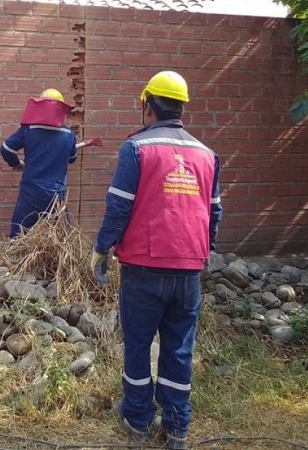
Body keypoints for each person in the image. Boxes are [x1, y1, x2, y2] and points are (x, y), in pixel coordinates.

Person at [89, 71, 222, 450]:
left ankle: (137, 420)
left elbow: (118, 206)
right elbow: (215, 213)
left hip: (143, 269)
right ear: (181, 106)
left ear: (147, 104)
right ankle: (177, 426)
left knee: (137, 344)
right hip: (188, 270)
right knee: (179, 349)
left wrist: (101, 248)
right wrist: (205, 252)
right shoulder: (207, 155)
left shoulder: (137, 148)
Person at [1, 88, 77, 238]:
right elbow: (72, 159)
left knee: (19, 235)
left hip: (31, 191)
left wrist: (16, 163)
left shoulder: (29, 130)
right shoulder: (69, 135)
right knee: (60, 237)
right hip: (56, 194)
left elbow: (6, 149)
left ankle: (14, 260)